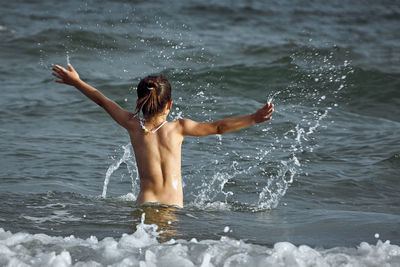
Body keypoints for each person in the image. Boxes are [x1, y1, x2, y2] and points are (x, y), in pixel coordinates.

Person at [52, 64, 274, 208]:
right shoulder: (179, 128)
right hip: (173, 207)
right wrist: (253, 118)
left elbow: (102, 100)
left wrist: (76, 81)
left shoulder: (132, 125)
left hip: (144, 203)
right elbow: (218, 127)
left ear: (139, 102)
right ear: (169, 104)